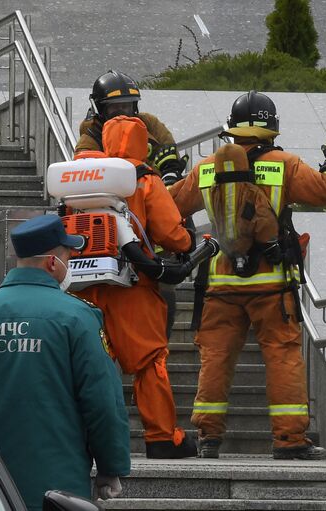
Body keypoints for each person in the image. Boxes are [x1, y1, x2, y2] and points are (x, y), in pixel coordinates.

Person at [169, 90, 326, 460]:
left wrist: (170, 173)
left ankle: (208, 437)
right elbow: (325, 191)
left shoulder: (207, 168)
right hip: (271, 282)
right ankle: (289, 441)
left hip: (220, 282)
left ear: (232, 129)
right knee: (282, 356)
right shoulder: (283, 164)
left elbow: (169, 203)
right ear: (271, 129)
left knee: (216, 358)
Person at [0, 214, 130, 511]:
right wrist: (110, 465)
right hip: (55, 483)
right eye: (69, 256)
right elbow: (101, 399)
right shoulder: (76, 316)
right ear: (53, 263)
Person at [75, 115, 197, 458]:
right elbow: (172, 233)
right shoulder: (142, 177)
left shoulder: (82, 175)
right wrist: (188, 241)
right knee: (148, 362)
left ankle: (85, 435)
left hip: (84, 285)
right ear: (142, 144)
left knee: (92, 362)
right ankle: (161, 437)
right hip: (132, 284)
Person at [75, 69, 189, 338]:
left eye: (127, 106)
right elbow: (87, 178)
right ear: (100, 110)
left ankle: (160, 340)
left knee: (164, 294)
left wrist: (167, 176)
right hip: (109, 231)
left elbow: (168, 153)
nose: (122, 113)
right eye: (115, 107)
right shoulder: (89, 140)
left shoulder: (149, 125)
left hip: (152, 222)